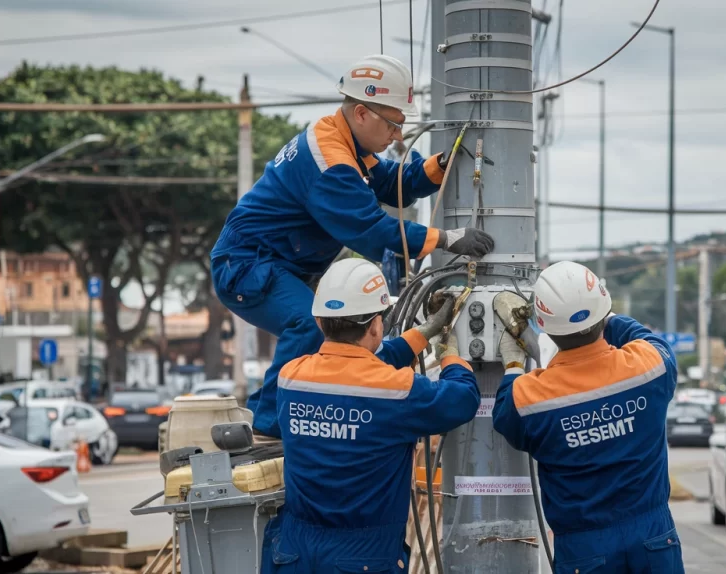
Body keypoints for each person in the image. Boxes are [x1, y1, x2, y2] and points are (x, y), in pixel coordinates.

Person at [211, 53, 494, 439]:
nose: (397, 136)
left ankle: (277, 413)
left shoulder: (344, 142)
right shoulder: (331, 163)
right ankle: (270, 424)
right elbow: (373, 231)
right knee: (309, 325)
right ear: (362, 113)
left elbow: (395, 185)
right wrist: (446, 238)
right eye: (394, 124)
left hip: (279, 264)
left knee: (339, 341)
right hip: (247, 266)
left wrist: (439, 164)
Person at [264, 258, 480, 573]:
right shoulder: (397, 391)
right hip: (361, 556)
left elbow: (361, 365)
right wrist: (451, 352)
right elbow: (462, 399)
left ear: (321, 322)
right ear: (376, 325)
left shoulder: (292, 377)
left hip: (293, 552)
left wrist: (423, 333)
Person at [492, 261, 685, 574]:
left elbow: (505, 415)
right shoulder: (651, 367)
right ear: (603, 309)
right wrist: (601, 314)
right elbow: (644, 336)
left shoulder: (530, 397)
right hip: (653, 537)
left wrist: (513, 365)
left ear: (543, 323)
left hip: (585, 550)